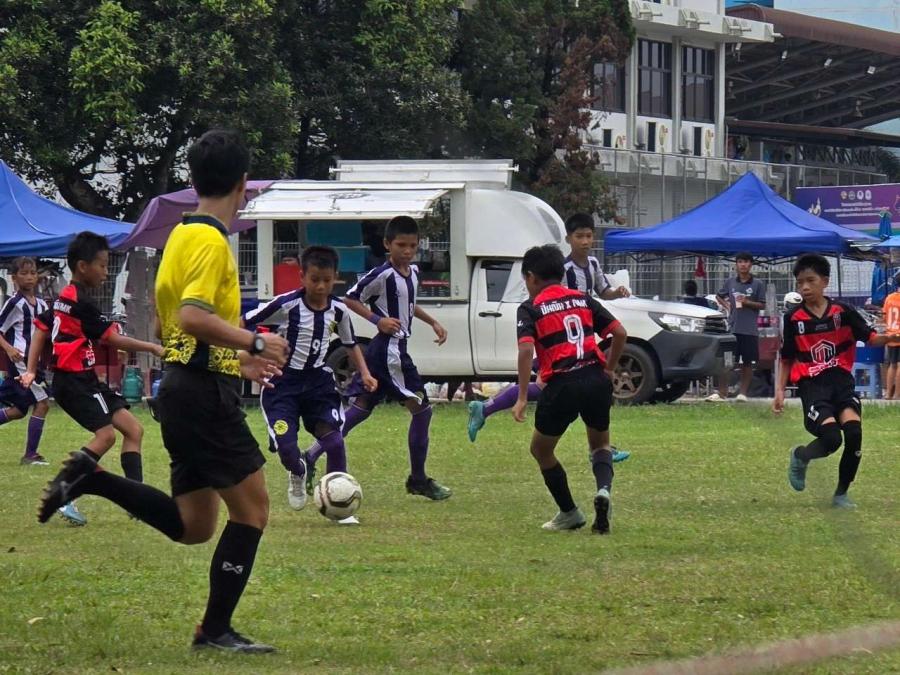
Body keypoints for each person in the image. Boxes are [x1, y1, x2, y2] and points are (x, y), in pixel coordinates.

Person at [32, 130, 288, 652]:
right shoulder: (211, 243)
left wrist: (234, 360)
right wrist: (256, 341)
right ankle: (214, 631)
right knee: (253, 511)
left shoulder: (180, 238)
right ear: (243, 185)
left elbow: (173, 328)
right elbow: (192, 317)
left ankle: (92, 478)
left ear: (193, 180)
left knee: (195, 526)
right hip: (202, 397)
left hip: (183, 387)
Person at [302, 215, 451, 500]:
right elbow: (350, 298)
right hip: (389, 350)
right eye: (401, 245)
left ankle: (310, 455)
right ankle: (418, 479)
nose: (407, 251)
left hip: (390, 349)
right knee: (422, 410)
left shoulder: (413, 272)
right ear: (387, 244)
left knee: (360, 408)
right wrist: (377, 320)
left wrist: (432, 321)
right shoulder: (382, 274)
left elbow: (409, 304)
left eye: (412, 246)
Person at [23, 233, 164, 528]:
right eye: (102, 265)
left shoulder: (65, 297)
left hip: (82, 379)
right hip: (73, 382)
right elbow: (112, 338)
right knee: (106, 436)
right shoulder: (81, 302)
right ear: (82, 266)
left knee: (134, 429)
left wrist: (32, 369)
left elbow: (40, 329)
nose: (105, 272)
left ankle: (136, 501)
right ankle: (65, 492)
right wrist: (152, 347)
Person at [466, 213, 631, 463]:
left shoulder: (593, 264)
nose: (585, 241)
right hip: (556, 339)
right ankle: (599, 448)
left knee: (570, 386)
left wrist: (616, 292)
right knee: (567, 385)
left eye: (589, 236)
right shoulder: (562, 269)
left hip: (577, 334)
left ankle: (599, 447)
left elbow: (603, 291)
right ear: (568, 239)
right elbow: (547, 298)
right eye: (579, 236)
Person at [243, 245, 377, 519]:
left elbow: (350, 344)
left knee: (335, 441)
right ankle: (298, 470)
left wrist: (365, 373)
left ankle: (340, 504)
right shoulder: (286, 304)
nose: (320, 286)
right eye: (314, 279)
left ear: (335, 277)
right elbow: (242, 322)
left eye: (327, 280)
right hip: (282, 385)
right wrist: (250, 354)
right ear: (302, 276)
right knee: (287, 449)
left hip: (318, 384)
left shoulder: (338, 311)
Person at [512, 244, 627, 533]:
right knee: (600, 445)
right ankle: (603, 490)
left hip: (562, 384)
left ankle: (569, 512)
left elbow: (525, 350)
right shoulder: (582, 298)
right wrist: (609, 368)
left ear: (531, 277)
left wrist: (522, 396)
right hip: (595, 379)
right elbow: (619, 332)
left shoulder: (530, 308)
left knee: (540, 449)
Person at [773, 254, 900, 508]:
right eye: (800, 283)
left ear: (825, 281)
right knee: (832, 439)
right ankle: (801, 456)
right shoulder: (793, 318)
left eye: (810, 281)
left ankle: (841, 494)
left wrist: (890, 337)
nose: (805, 287)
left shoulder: (843, 312)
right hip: (813, 386)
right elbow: (786, 358)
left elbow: (871, 338)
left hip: (842, 383)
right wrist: (779, 391)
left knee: (854, 433)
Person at [0, 257, 51, 467]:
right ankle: (30, 455)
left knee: (19, 411)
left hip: (35, 363)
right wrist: (9, 348)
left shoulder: (42, 304)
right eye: (24, 273)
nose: (29, 277)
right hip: (21, 363)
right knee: (43, 403)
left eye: (33, 273)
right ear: (14, 278)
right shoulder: (15, 303)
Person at [707, 252, 766, 402]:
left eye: (746, 262)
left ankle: (743, 394)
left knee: (747, 362)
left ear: (751, 264)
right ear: (736, 265)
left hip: (750, 330)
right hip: (733, 328)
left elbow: (762, 304)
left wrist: (747, 302)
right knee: (727, 361)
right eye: (740, 262)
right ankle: (722, 392)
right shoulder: (730, 282)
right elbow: (719, 295)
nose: (743, 265)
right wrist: (728, 306)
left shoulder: (757, 284)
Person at [882, 273, 900, 399]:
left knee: (892, 365)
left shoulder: (889, 298)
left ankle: (888, 394)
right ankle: (897, 395)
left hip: (890, 335)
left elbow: (884, 316)